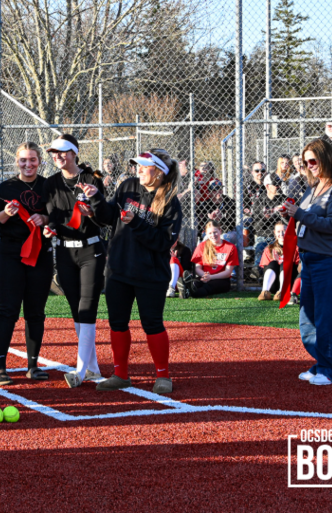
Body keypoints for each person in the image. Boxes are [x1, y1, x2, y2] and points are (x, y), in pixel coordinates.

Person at [82, 149, 182, 394]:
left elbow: (162, 242)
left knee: (152, 324)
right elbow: (109, 218)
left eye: (144, 165)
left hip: (151, 274)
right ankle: (120, 375)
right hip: (118, 268)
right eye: (137, 165)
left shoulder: (170, 201)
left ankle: (163, 376)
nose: (138, 169)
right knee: (117, 323)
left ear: (158, 172)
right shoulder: (127, 186)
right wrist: (94, 202)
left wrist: (135, 221)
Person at [282, 138, 332, 386]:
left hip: (330, 260)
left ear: (325, 159)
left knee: (328, 316)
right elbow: (305, 219)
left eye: (312, 161)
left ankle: (331, 371)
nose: (308, 166)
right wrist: (288, 214)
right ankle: (322, 363)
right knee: (308, 318)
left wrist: (300, 214)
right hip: (310, 259)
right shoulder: (314, 188)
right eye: (304, 163)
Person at [38, 136, 107, 388]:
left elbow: (104, 219)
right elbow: (52, 215)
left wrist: (94, 211)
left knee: (88, 307)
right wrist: (49, 227)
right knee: (76, 309)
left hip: (91, 250)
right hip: (65, 252)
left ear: (74, 153)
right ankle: (92, 367)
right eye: (54, 152)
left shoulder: (92, 180)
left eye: (63, 152)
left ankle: (79, 370)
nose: (58, 156)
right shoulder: (51, 183)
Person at [0, 142, 52, 386]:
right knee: (8, 310)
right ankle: (0, 367)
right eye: (23, 160)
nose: (28, 164)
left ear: (40, 160)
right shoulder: (5, 188)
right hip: (10, 255)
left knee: (35, 312)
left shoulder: (49, 186)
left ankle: (32, 365)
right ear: (17, 162)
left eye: (32, 159)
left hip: (40, 255)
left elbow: (60, 216)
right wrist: (6, 214)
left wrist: (44, 218)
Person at [178, 221, 238, 299]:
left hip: (221, 279)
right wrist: (205, 276)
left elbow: (228, 272)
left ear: (220, 231)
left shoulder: (230, 247)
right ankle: (187, 290)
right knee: (196, 283)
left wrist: (211, 277)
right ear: (206, 233)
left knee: (208, 286)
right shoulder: (202, 246)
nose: (213, 235)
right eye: (210, 233)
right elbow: (197, 268)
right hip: (204, 276)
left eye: (215, 232)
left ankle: (192, 293)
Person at [257, 222, 291, 300]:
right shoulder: (269, 248)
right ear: (274, 233)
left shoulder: (295, 248)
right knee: (273, 263)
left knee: (285, 264)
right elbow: (264, 268)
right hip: (273, 284)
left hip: (289, 283)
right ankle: (265, 292)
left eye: (284, 230)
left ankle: (282, 291)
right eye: (278, 231)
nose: (281, 234)